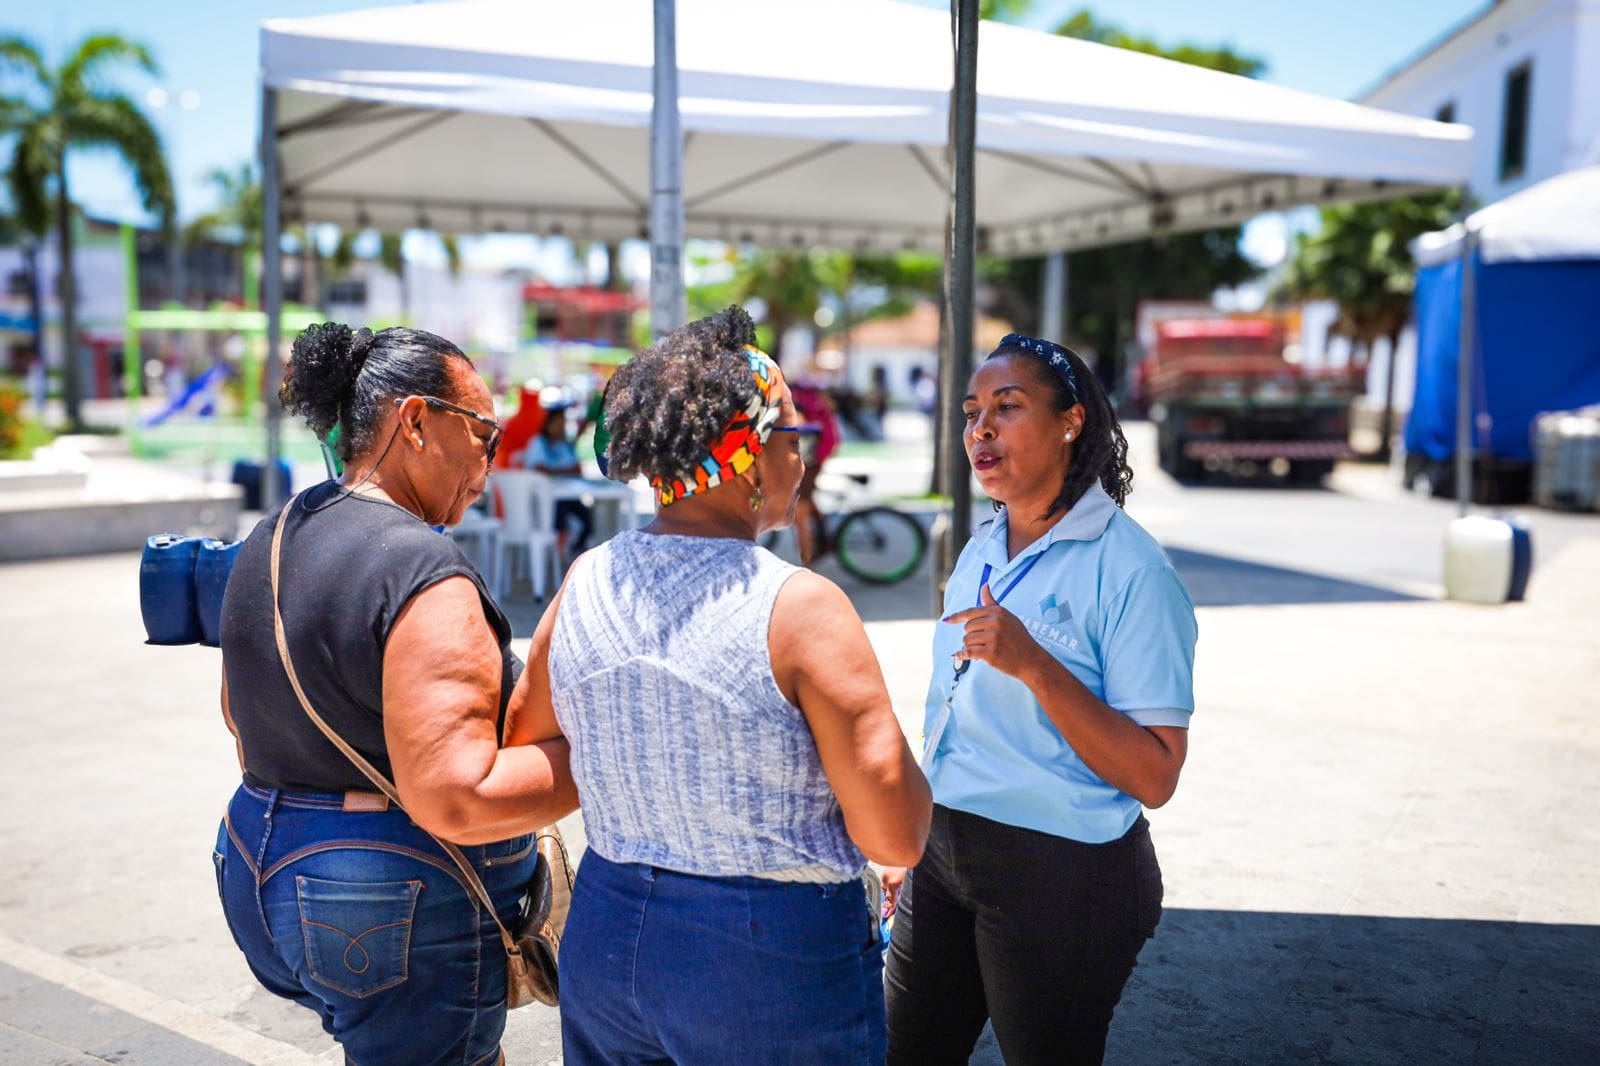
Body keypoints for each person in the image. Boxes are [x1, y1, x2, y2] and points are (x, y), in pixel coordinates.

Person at [506, 307, 932, 1065]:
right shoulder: (798, 606)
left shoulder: (586, 580)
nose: (802, 462)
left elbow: (527, 739)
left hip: (608, 934)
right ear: (753, 456)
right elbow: (894, 833)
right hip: (768, 956)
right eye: (794, 438)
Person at [213, 323, 579, 1065]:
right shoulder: (421, 564)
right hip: (382, 904)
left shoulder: (273, 533)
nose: (491, 459)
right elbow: (457, 798)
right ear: (415, 421)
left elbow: (236, 713)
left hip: (257, 869)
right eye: (483, 432)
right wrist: (607, 762)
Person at [883, 334, 1198, 1065]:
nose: (980, 429)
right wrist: (915, 830)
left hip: (1063, 874)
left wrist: (1036, 667)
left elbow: (1156, 776)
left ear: (1070, 421)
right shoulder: (983, 544)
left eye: (1007, 406)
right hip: (945, 848)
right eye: (971, 412)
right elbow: (955, 705)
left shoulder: (1134, 571)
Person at [523, 400, 594, 556]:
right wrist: (564, 471)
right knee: (559, 518)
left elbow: (577, 469)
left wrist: (555, 471)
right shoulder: (538, 443)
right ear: (548, 424)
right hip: (543, 499)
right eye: (557, 423)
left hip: (567, 495)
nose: (561, 427)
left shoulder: (565, 445)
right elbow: (539, 469)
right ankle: (557, 553)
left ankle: (576, 550)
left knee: (587, 518)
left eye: (563, 423)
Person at [785, 374, 841, 566]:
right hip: (819, 453)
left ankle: (807, 563)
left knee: (799, 511)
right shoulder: (809, 396)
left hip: (809, 457)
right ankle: (824, 538)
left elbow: (797, 423)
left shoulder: (794, 397)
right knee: (806, 502)